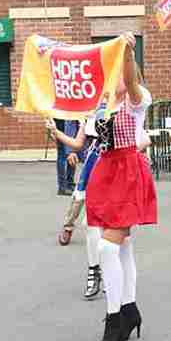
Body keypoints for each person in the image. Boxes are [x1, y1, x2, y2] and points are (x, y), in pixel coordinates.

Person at [85, 33, 156, 341]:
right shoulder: (100, 105)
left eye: (121, 74)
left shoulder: (137, 100)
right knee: (123, 247)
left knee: (108, 248)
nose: (116, 79)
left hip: (128, 172)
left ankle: (114, 316)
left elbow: (128, 78)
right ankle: (130, 310)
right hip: (105, 172)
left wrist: (126, 51)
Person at [47, 93, 112, 300]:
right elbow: (77, 143)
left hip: (114, 164)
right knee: (91, 223)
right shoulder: (88, 112)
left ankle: (110, 273)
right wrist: (55, 131)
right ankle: (95, 271)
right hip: (94, 164)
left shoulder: (120, 107)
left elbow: (139, 137)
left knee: (111, 226)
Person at [54, 116, 80, 196]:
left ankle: (68, 184)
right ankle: (64, 186)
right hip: (66, 115)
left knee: (69, 150)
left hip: (62, 115)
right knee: (64, 152)